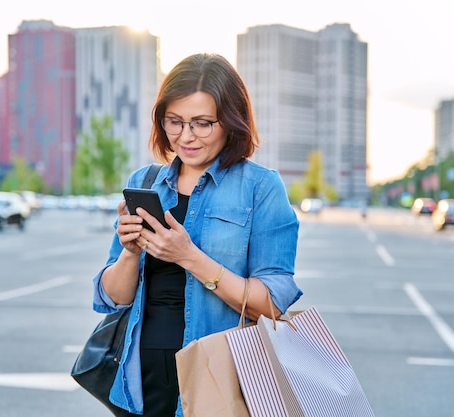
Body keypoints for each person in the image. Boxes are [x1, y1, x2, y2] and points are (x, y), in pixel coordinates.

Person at [92, 53, 302, 417]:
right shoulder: (144, 182)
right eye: (174, 121)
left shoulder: (261, 188)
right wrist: (129, 252)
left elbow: (271, 303)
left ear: (232, 122)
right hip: (141, 380)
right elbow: (113, 298)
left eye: (202, 123)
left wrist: (189, 256)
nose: (185, 136)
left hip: (221, 375)